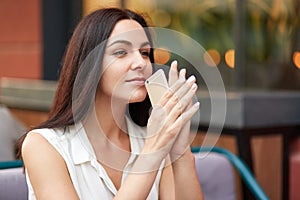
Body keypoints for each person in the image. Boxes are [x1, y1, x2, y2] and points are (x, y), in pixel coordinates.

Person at [18, 7, 203, 199]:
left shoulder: (153, 138)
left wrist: (180, 150)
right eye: (121, 52)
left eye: (145, 52)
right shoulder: (43, 145)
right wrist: (153, 151)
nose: (141, 62)